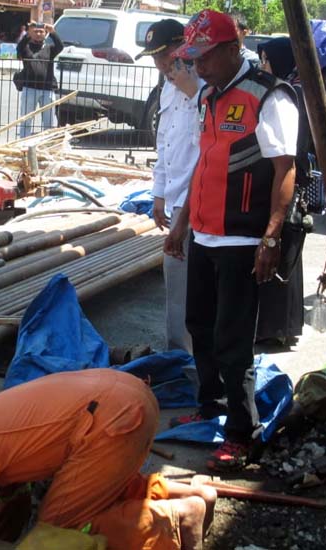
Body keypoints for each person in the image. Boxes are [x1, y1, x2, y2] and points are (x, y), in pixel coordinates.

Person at [164, 10, 297, 470]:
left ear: (231, 48)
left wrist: (271, 236)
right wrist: (181, 221)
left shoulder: (268, 96)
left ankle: (244, 433)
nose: (197, 66)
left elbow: (286, 169)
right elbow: (205, 162)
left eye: (204, 57)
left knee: (233, 340)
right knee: (199, 326)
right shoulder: (208, 96)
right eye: (192, 58)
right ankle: (211, 404)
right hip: (203, 234)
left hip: (242, 239)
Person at [0, 369, 217, 549]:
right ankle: (195, 496)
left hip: (110, 421)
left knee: (61, 532)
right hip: (125, 397)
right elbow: (15, 492)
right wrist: (4, 536)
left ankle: (177, 518)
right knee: (95, 491)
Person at [138, 19, 202, 354]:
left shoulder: (203, 84)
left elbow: (210, 149)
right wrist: (159, 193)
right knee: (176, 288)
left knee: (195, 291)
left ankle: (190, 362)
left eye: (164, 56)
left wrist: (194, 92)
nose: (161, 65)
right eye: (155, 58)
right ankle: (179, 358)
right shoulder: (166, 87)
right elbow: (164, 142)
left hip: (200, 203)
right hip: (176, 198)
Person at [254, 37, 313, 347]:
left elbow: (291, 153)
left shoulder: (289, 94)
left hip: (289, 181)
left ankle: (280, 328)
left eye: (267, 60)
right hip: (283, 179)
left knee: (280, 253)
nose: (263, 65)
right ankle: (276, 327)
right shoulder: (281, 89)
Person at [17, 22, 63, 138]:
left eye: (41, 31)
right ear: (31, 33)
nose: (38, 34)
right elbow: (19, 47)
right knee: (26, 120)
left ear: (45, 34)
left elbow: (60, 46)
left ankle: (47, 144)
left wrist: (52, 32)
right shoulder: (26, 48)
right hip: (29, 89)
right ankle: (23, 145)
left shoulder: (50, 49)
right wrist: (27, 34)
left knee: (48, 123)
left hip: (47, 90)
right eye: (35, 31)